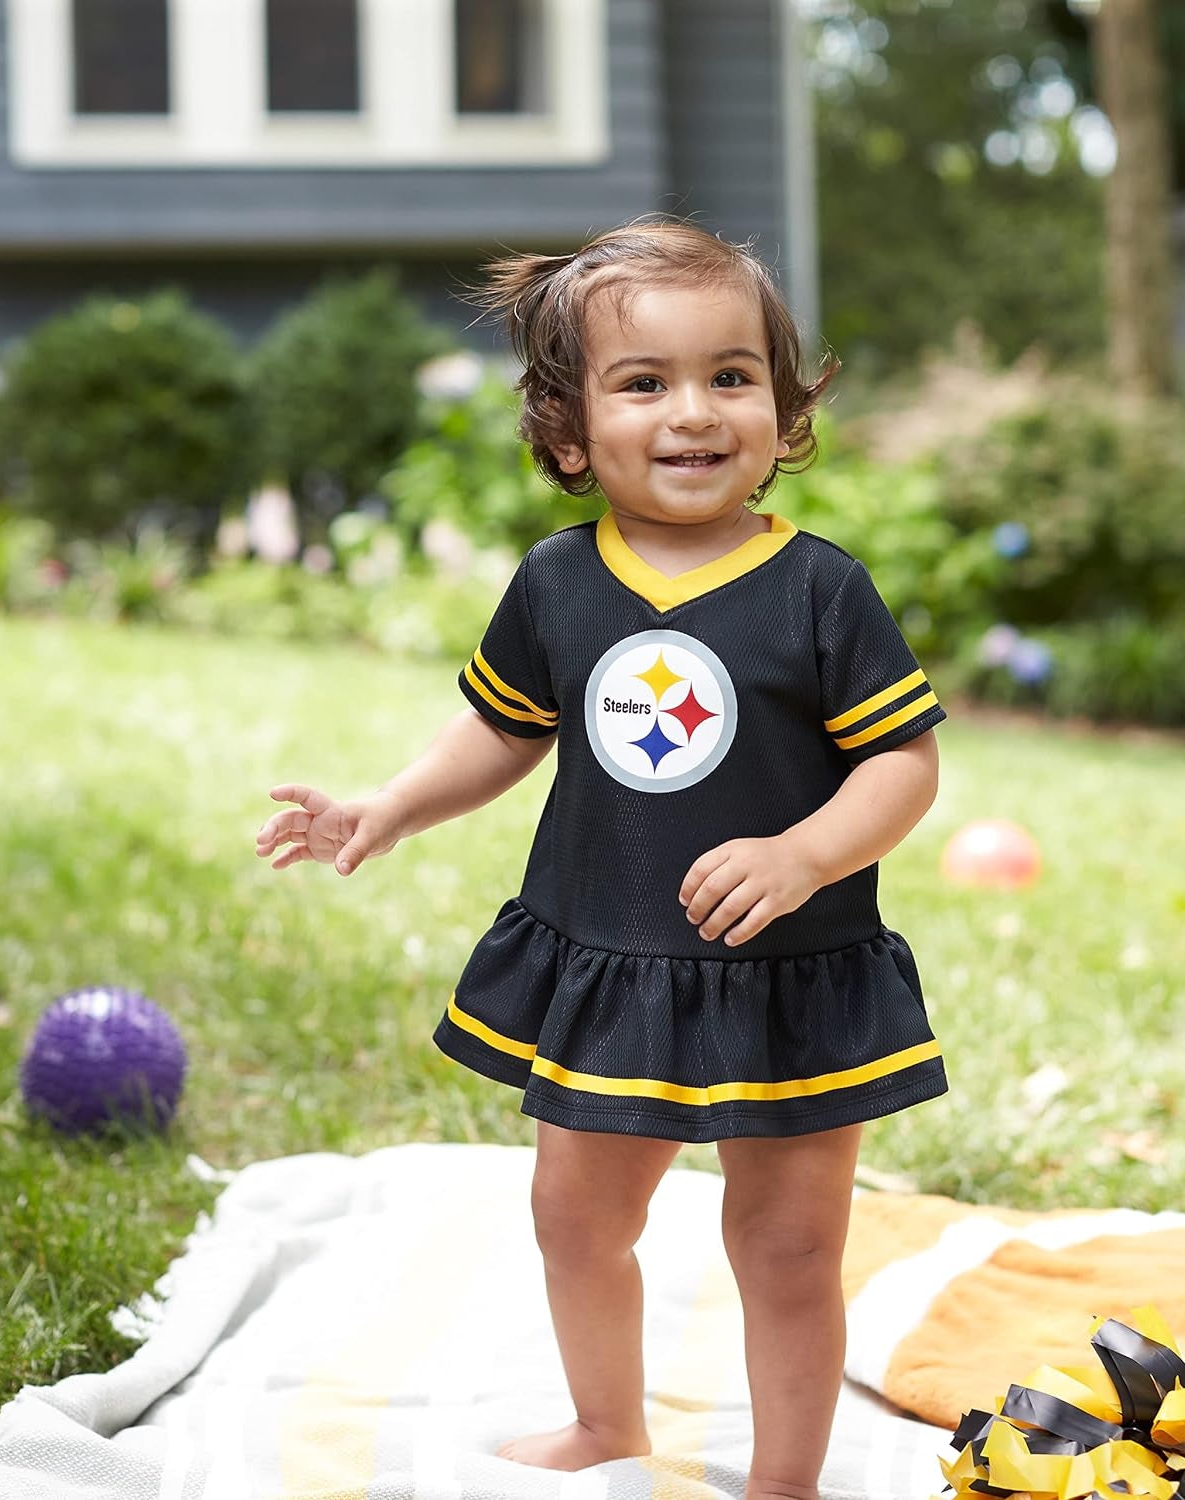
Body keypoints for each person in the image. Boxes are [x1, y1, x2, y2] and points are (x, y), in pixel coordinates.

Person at [254, 217, 948, 1500]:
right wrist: (388, 807)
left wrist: (804, 853)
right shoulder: (559, 584)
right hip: (608, 963)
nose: (694, 411)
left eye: (731, 376)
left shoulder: (819, 590)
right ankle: (605, 1425)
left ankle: (787, 1479)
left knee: (788, 1244)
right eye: (646, 383)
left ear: (784, 411)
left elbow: (905, 765)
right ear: (571, 434)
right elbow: (501, 726)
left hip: (786, 970)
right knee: (576, 1217)